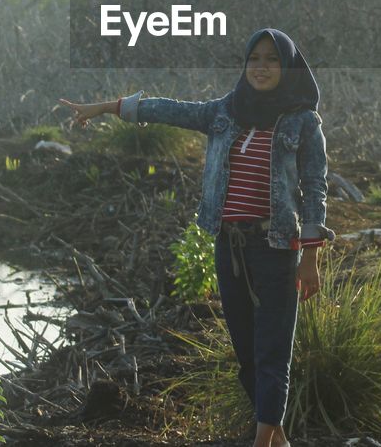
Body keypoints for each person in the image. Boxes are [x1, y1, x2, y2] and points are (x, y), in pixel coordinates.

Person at [60, 28, 334, 447]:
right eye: (254, 58)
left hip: (277, 247)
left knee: (273, 351)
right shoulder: (225, 112)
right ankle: (277, 440)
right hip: (228, 245)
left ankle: (261, 442)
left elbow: (315, 189)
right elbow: (170, 110)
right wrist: (106, 107)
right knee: (247, 355)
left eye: (272, 59)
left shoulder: (302, 121)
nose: (261, 67)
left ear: (289, 66)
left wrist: (311, 258)